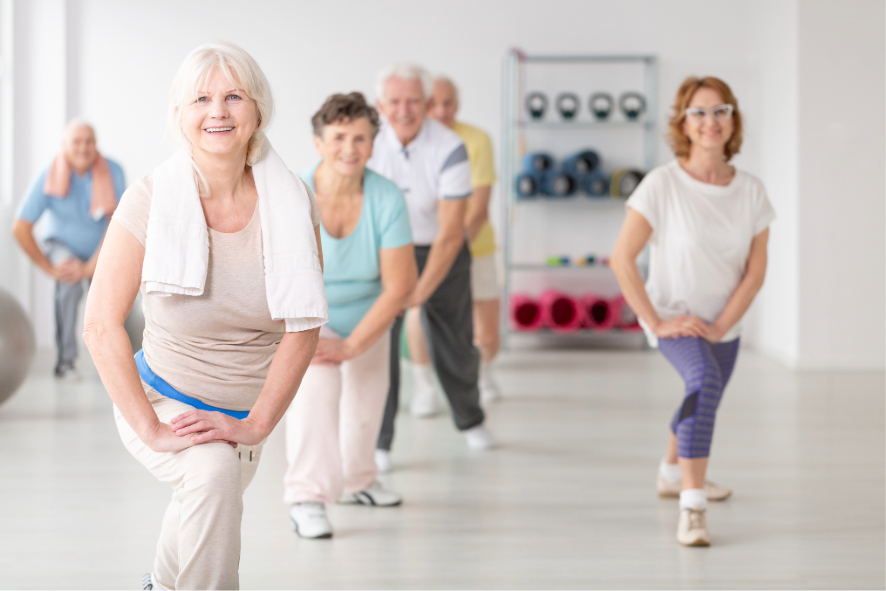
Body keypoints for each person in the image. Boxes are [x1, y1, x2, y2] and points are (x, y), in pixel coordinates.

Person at [82, 42, 326, 590]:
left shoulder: (292, 202)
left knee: (205, 497)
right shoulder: (148, 198)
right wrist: (152, 429)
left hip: (244, 412)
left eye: (233, 96)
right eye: (201, 98)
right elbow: (99, 325)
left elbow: (304, 326)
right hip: (162, 399)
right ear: (180, 114)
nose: (217, 111)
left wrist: (256, 424)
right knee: (212, 472)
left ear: (257, 111)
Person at [610, 76, 774, 547]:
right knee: (701, 387)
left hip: (726, 324)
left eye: (720, 111)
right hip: (677, 322)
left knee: (702, 400)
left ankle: (668, 471)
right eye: (699, 112)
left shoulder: (752, 192)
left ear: (733, 119)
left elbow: (755, 273)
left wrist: (723, 325)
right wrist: (656, 321)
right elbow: (621, 259)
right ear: (683, 123)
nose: (710, 121)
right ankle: (692, 507)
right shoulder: (661, 184)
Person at [283, 92, 417, 539]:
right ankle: (306, 496)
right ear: (319, 142)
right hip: (309, 317)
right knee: (318, 393)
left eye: (361, 138)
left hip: (369, 317)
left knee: (365, 408)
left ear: (373, 145)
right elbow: (274, 275)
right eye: (339, 137)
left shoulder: (386, 197)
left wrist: (354, 344)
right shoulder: (292, 193)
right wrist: (315, 337)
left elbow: (400, 286)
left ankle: (358, 483)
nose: (350, 148)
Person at [370, 62, 495, 472]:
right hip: (384, 249)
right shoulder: (368, 141)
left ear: (426, 103)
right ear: (380, 104)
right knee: (379, 344)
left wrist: (418, 294)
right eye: (395, 101)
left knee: (454, 342)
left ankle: (471, 419)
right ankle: (380, 441)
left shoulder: (449, 145)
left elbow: (450, 231)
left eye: (413, 100)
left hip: (441, 248)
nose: (404, 109)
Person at [404, 75, 501, 412]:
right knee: (418, 315)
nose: (441, 111)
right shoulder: (412, 143)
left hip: (475, 247)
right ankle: (423, 386)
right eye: (434, 103)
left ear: (457, 106)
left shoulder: (476, 140)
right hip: (428, 249)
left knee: (487, 336)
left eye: (449, 103)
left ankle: (482, 374)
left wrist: (453, 254)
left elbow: (478, 209)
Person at [12, 119, 125, 379]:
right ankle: (65, 362)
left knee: (112, 291)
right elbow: (20, 227)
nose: (83, 148)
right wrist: (49, 268)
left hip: (102, 246)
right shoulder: (47, 174)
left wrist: (90, 267)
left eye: (89, 141)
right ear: (64, 145)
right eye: (76, 141)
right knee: (69, 283)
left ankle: (113, 362)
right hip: (62, 245)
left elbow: (118, 224)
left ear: (96, 145)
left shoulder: (114, 171)